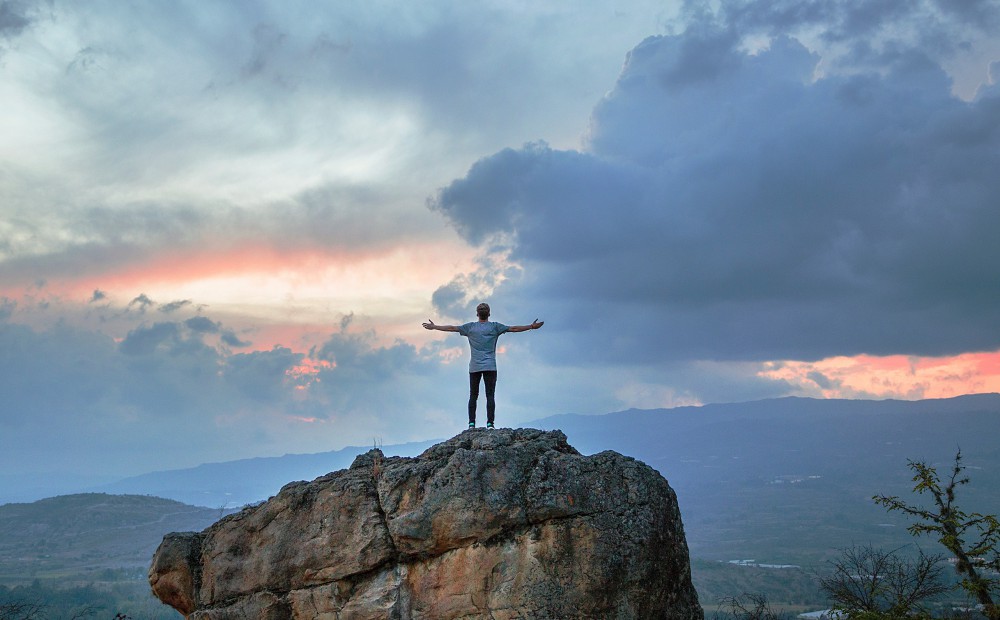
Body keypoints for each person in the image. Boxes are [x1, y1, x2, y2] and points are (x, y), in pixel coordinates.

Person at [423, 303, 543, 429]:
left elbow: (452, 328)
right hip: (490, 366)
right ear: (489, 313)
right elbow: (514, 329)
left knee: (473, 395)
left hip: (474, 367)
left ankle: (471, 424)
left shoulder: (470, 327)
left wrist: (435, 326)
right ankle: (490, 424)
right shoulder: (495, 327)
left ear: (477, 314)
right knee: (490, 395)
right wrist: (531, 326)